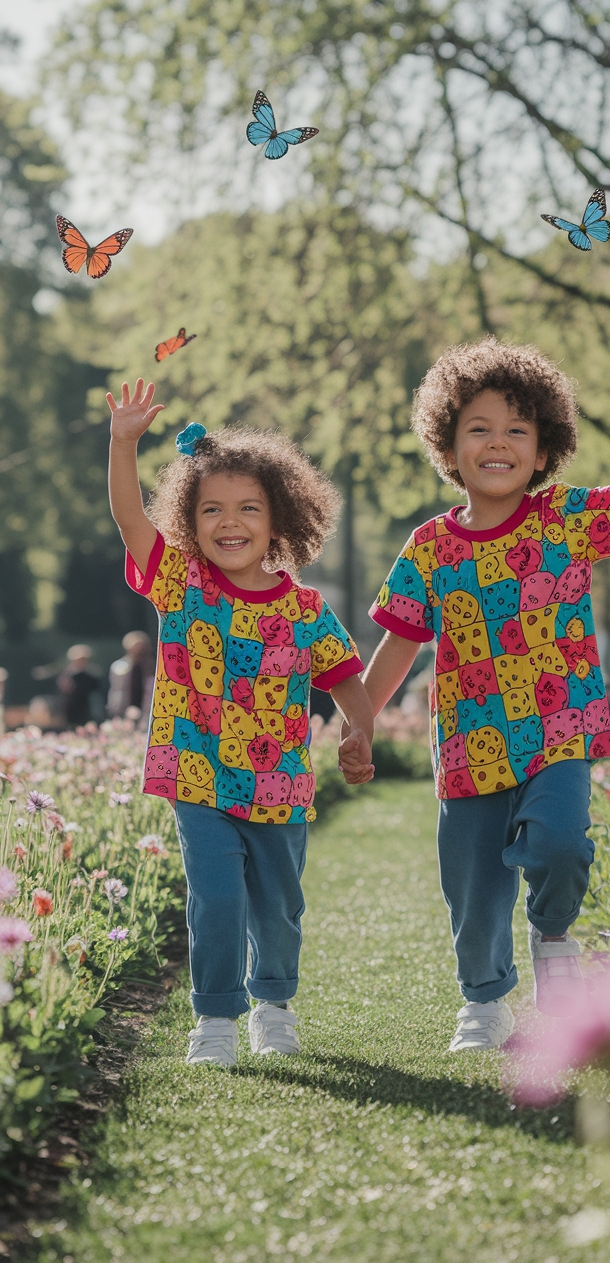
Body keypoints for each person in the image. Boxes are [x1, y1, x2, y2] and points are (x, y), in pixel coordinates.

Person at [345, 337, 610, 1053]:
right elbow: (400, 644)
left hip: (559, 731)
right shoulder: (430, 548)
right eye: (478, 428)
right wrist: (361, 723)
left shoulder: (565, 518)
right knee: (473, 894)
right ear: (449, 445)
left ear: (543, 450)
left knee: (562, 846)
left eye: (516, 430)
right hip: (470, 746)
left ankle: (554, 941)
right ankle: (483, 1004)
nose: (497, 443)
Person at [106, 380, 375, 1068]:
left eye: (249, 508)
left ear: (279, 521)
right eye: (212, 509)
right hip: (196, 773)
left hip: (279, 783)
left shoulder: (306, 607)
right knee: (216, 898)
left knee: (279, 909)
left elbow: (345, 675)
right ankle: (216, 1019)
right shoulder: (179, 586)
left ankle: (274, 1004)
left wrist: (358, 731)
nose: (231, 521)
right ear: (189, 523)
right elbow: (130, 521)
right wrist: (124, 443)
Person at [107, 630, 155, 721]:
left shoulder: (154, 667)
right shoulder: (119, 667)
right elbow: (117, 691)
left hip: (148, 712)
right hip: (123, 711)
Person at [57, 644, 101, 729]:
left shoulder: (92, 675)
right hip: (71, 709)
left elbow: (96, 693)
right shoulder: (67, 675)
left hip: (87, 709)